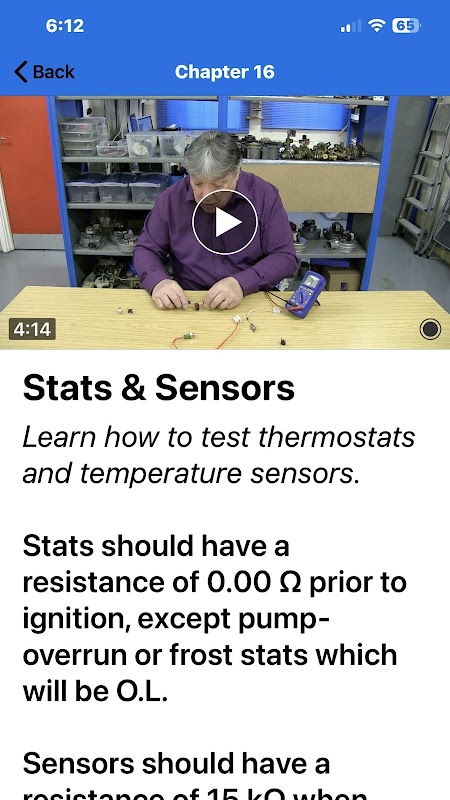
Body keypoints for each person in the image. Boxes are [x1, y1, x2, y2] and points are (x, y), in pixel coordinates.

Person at [133, 130, 297, 310]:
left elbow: (285, 256)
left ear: (237, 173)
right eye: (198, 184)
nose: (206, 195)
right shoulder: (170, 200)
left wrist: (242, 283)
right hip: (191, 302)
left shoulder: (264, 196)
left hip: (249, 299)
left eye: (218, 185)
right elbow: (146, 249)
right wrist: (159, 282)